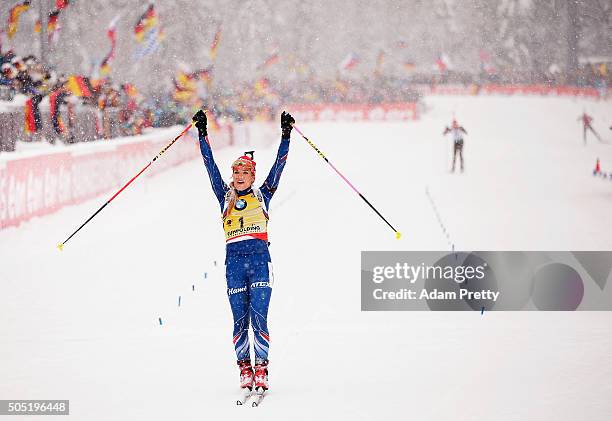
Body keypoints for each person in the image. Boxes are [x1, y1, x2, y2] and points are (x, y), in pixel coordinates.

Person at [192, 109, 295, 396]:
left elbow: (279, 165)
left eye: (244, 173)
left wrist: (286, 135)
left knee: (259, 316)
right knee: (240, 320)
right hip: (234, 263)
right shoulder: (224, 196)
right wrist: (202, 133)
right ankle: (244, 369)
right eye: (235, 172)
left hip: (260, 261)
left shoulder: (265, 193)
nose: (238, 177)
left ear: (252, 176)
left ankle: (261, 367)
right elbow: (209, 165)